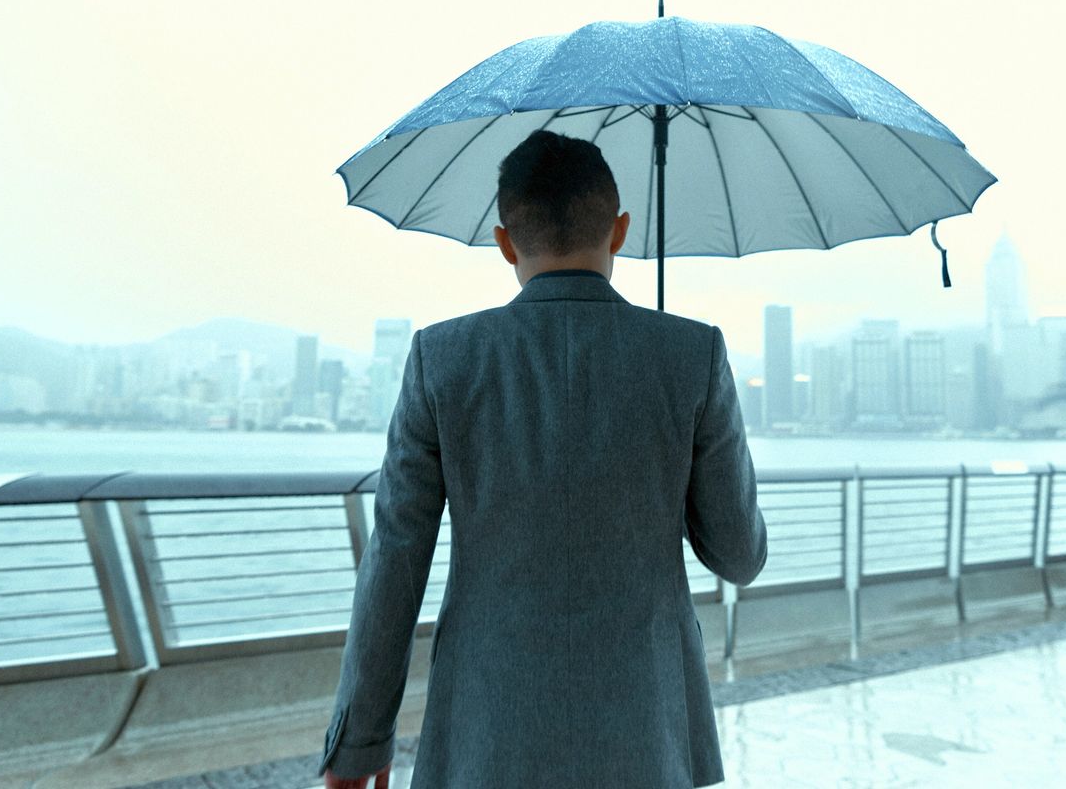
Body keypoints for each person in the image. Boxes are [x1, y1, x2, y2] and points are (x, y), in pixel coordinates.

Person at [316, 128, 769, 788]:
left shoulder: (441, 359)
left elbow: (394, 565)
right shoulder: (691, 354)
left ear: (504, 243)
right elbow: (739, 556)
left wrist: (358, 747)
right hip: (645, 731)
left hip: (486, 727)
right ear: (618, 232)